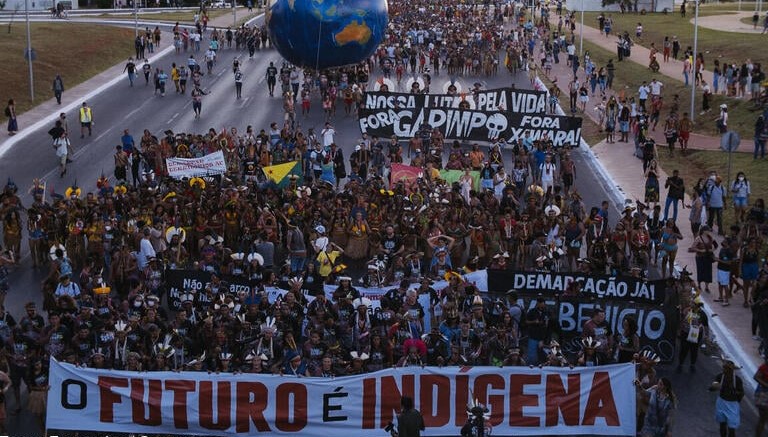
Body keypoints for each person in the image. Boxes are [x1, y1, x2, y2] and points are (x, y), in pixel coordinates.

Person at [710, 356, 744, 437]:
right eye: (724, 368)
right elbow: (712, 387)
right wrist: (714, 387)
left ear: (732, 370)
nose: (725, 370)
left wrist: (735, 399)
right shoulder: (719, 377)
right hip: (721, 403)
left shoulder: (737, 380)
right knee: (722, 425)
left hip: (732, 405)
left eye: (727, 369)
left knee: (732, 428)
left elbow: (741, 393)